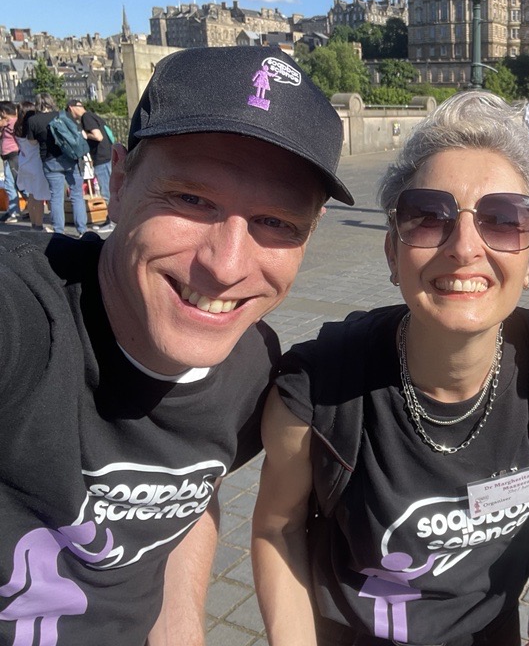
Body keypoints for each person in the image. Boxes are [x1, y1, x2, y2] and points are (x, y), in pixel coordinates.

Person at [0, 45, 353, 646]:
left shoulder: (252, 366)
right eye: (192, 199)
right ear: (119, 175)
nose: (226, 266)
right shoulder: (26, 320)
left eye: (277, 222)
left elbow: (191, 488)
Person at [252, 91, 529, 646]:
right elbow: (278, 529)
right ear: (392, 252)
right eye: (429, 217)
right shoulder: (320, 390)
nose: (465, 248)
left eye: (503, 221)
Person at [25, 92, 88, 235]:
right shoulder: (63, 115)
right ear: (51, 102)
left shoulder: (33, 120)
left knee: (56, 197)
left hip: (50, 160)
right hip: (71, 158)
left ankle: (59, 231)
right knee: (77, 195)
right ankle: (82, 230)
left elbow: (32, 142)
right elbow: (78, 133)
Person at [68, 99, 114, 211]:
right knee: (113, 189)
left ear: (71, 108)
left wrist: (86, 135)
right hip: (109, 154)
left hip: (101, 157)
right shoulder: (93, 116)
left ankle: (113, 222)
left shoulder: (86, 118)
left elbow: (98, 137)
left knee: (107, 191)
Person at [11, 101, 48, 229]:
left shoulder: (17, 127)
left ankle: (33, 224)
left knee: (32, 195)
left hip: (24, 163)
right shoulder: (32, 127)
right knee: (39, 198)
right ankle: (39, 225)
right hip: (36, 164)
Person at [0, 101, 19, 222]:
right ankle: (15, 210)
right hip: (8, 157)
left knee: (12, 184)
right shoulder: (5, 124)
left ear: (3, 112)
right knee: (14, 183)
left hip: (14, 156)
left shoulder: (12, 123)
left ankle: (14, 212)